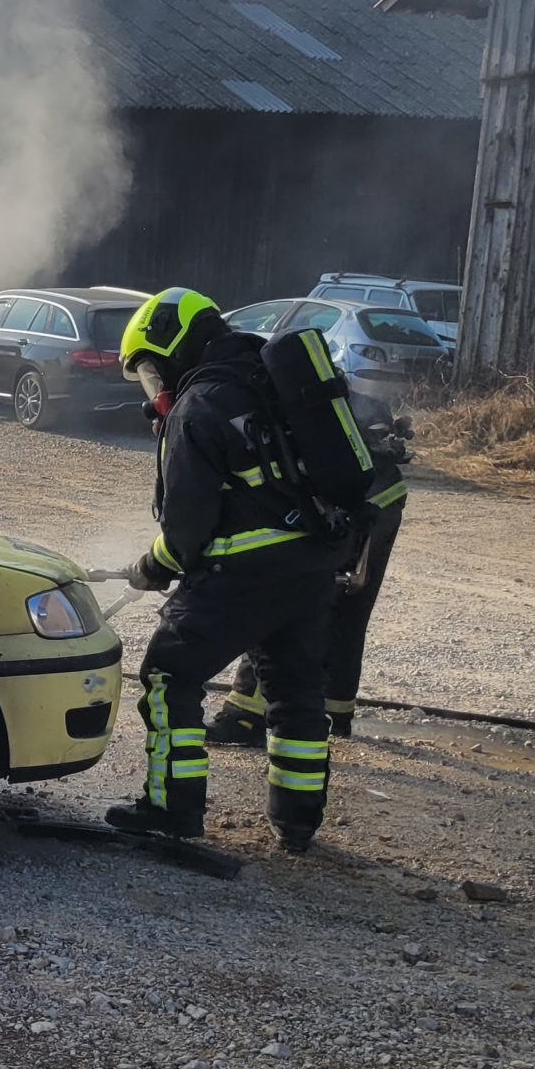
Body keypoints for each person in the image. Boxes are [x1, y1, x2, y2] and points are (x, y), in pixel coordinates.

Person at [108, 288, 341, 852]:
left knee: (168, 676)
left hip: (241, 575)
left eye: (151, 370)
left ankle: (173, 807)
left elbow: (186, 533)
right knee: (296, 692)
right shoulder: (271, 382)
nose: (154, 387)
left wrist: (150, 566)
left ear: (174, 346)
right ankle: (297, 821)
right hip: (312, 569)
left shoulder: (199, 405)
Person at [208, 394, 409, 746]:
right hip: (381, 494)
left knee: (280, 601)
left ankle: (245, 717)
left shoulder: (230, 402)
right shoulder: (293, 385)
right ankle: (334, 715)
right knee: (347, 608)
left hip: (351, 501)